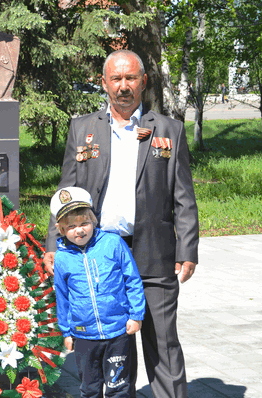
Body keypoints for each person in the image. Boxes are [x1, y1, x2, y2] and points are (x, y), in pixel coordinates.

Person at [44, 49, 199, 398]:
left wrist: (188, 249)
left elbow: (184, 198)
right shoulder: (82, 128)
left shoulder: (169, 130)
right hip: (101, 257)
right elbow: (66, 192)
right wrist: (54, 243)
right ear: (104, 83)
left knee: (163, 342)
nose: (124, 86)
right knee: (117, 349)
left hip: (155, 253)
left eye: (131, 78)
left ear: (143, 82)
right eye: (116, 79)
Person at [51, 186, 145, 398]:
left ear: (93, 221)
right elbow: (63, 297)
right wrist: (66, 331)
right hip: (84, 335)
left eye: (84, 223)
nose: (79, 230)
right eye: (71, 226)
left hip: (118, 331)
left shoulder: (113, 243)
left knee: (119, 387)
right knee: (90, 388)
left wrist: (136, 315)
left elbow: (132, 280)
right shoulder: (62, 258)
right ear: (61, 229)